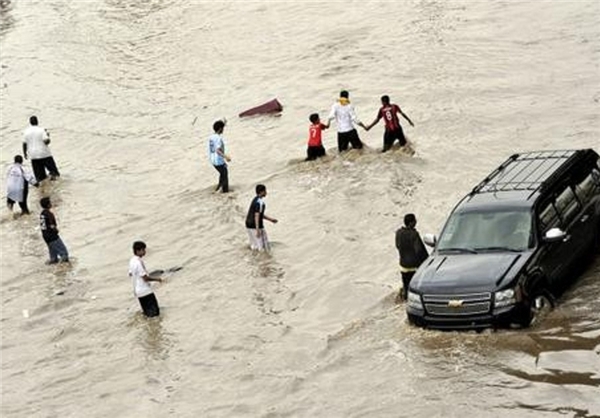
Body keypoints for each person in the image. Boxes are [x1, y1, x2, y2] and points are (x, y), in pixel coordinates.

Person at [395, 213, 428, 302]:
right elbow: (419, 251)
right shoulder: (414, 234)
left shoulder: (399, 233)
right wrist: (427, 262)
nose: (416, 222)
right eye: (414, 220)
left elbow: (397, 246)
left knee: (406, 287)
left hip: (403, 266)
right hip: (414, 267)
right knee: (415, 291)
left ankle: (405, 299)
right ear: (411, 223)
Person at [128, 241, 163, 317]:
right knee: (155, 314)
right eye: (143, 250)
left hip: (138, 292)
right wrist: (157, 279)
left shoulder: (132, 261)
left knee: (147, 314)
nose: (145, 252)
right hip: (145, 291)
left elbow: (130, 274)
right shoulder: (138, 262)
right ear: (138, 251)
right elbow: (145, 278)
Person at [23, 115, 60, 182]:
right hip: (44, 154)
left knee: (40, 177)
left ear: (30, 122)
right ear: (37, 121)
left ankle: (42, 190)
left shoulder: (26, 132)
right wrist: (47, 135)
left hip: (33, 155)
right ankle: (54, 188)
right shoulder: (41, 130)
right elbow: (46, 142)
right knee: (54, 173)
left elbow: (24, 144)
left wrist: (25, 153)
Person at [245, 184, 278, 251]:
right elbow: (257, 216)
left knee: (254, 245)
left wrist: (271, 219)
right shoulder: (260, 203)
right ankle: (264, 260)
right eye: (265, 191)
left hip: (248, 224)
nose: (266, 192)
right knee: (262, 246)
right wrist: (257, 230)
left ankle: (254, 259)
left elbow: (259, 214)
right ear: (261, 192)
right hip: (256, 225)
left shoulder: (255, 199)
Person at [39, 197, 69, 263]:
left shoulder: (42, 214)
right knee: (64, 254)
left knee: (53, 258)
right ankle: (62, 268)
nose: (51, 203)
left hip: (45, 236)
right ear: (48, 205)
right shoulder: (49, 214)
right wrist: (56, 230)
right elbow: (52, 225)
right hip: (52, 236)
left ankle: (52, 269)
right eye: (50, 202)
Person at [208, 119, 231, 193]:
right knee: (225, 176)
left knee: (222, 174)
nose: (223, 130)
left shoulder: (212, 137)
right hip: (218, 161)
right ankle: (225, 192)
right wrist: (226, 157)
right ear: (220, 129)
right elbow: (218, 151)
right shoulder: (218, 138)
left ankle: (217, 190)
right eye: (223, 128)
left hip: (213, 161)